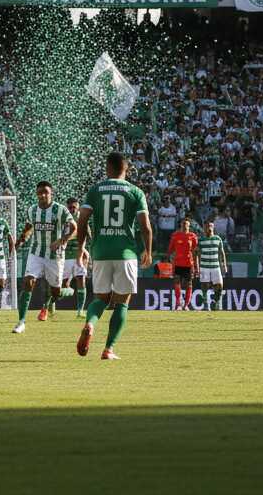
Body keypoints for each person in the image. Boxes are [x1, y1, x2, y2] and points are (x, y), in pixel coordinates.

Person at [75, 152, 152, 360]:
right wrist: (148, 250)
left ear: (107, 168)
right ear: (126, 169)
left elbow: (81, 222)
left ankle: (90, 324)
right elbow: (145, 226)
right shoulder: (135, 192)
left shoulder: (95, 190)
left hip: (100, 252)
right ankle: (108, 349)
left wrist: (81, 247)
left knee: (100, 298)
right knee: (122, 302)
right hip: (125, 253)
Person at [13, 181, 74, 334]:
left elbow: (74, 228)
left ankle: (67, 290)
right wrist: (20, 240)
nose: (42, 195)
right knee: (28, 282)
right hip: (36, 253)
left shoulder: (60, 210)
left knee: (56, 292)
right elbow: (28, 228)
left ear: (51, 193)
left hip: (55, 256)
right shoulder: (32, 210)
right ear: (36, 194)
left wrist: (61, 240)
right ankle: (21, 322)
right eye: (40, 192)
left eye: (45, 192)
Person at [60, 197, 90, 317]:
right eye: (70, 207)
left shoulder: (82, 218)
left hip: (79, 253)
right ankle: (49, 306)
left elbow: (88, 235)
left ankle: (80, 311)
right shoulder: (63, 219)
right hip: (65, 254)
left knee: (81, 280)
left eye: (74, 207)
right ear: (67, 207)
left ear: (78, 207)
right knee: (63, 285)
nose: (72, 209)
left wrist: (86, 251)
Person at [197, 219, 229, 311]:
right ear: (204, 228)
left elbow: (222, 253)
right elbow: (197, 254)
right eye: (207, 226)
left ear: (213, 227)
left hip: (216, 267)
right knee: (204, 285)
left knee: (220, 285)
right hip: (204, 266)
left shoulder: (218, 239)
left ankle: (215, 301)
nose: (209, 228)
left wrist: (224, 265)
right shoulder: (201, 240)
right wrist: (198, 267)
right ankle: (205, 303)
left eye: (211, 226)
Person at [167, 218, 198, 310]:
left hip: (188, 264)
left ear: (189, 225)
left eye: (186, 224)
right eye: (183, 223)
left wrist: (196, 266)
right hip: (177, 263)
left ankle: (186, 304)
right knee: (177, 283)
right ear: (180, 225)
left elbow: (195, 251)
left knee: (189, 284)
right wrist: (169, 257)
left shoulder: (193, 236)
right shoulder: (175, 235)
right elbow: (170, 249)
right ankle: (178, 304)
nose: (185, 225)